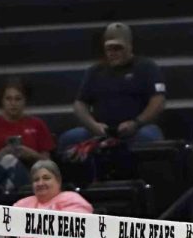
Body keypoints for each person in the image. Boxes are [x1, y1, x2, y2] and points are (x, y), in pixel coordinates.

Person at [58, 22, 166, 156]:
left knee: (149, 139)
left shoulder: (147, 67)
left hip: (138, 129)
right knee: (68, 139)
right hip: (101, 130)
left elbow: (158, 100)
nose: (113, 53)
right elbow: (80, 103)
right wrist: (93, 125)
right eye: (109, 48)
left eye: (118, 48)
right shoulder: (95, 71)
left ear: (129, 46)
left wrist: (136, 123)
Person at [0, 77, 55, 194]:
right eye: (8, 99)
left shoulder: (37, 124)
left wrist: (30, 154)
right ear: (2, 101)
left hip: (28, 178)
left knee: (16, 172)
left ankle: (9, 193)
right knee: (8, 159)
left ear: (25, 101)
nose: (13, 103)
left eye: (18, 99)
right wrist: (0, 156)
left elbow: (49, 163)